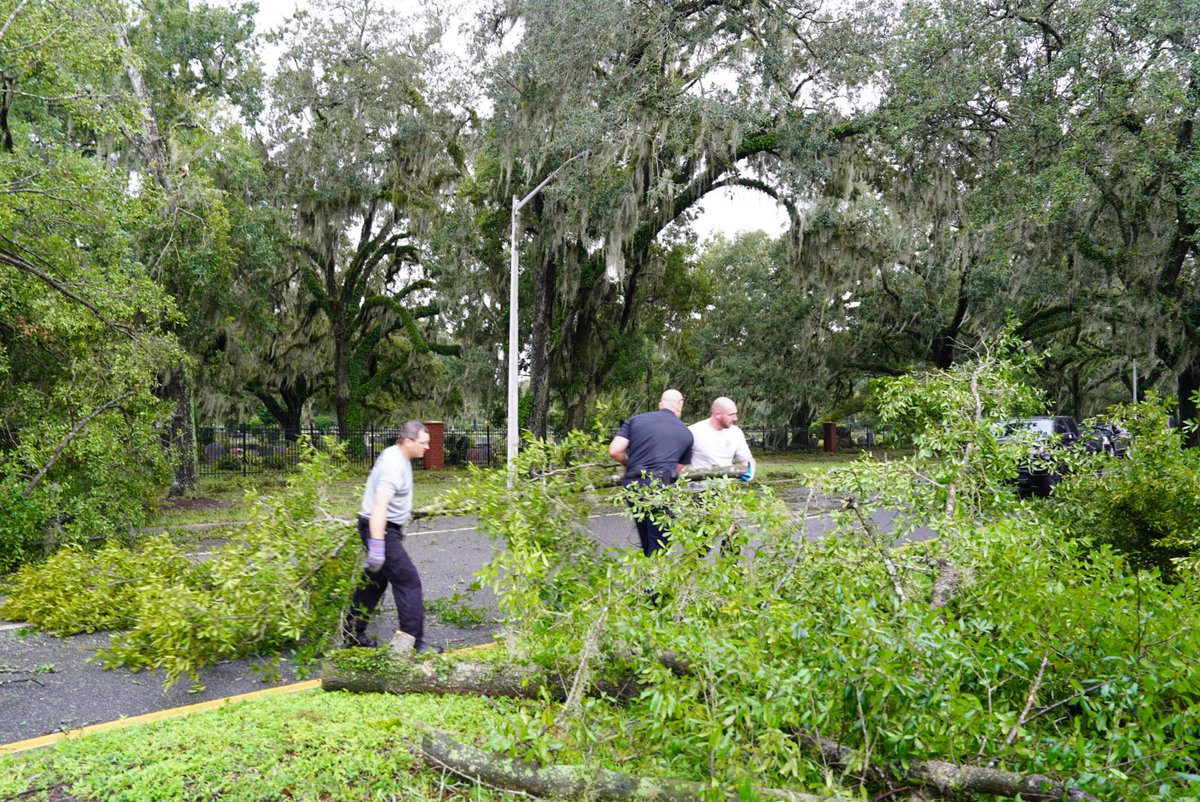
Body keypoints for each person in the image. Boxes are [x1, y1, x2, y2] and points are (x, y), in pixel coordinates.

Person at [344, 420, 440, 652]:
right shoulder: (394, 466)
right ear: (408, 441)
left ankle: (353, 634)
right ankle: (413, 642)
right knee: (408, 582)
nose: (427, 448)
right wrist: (377, 546)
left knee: (373, 583)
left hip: (378, 527)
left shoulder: (397, 455)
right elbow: (379, 506)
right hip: (380, 529)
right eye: (423, 443)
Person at [608, 389, 694, 557]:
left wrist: (631, 462)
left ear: (660, 405)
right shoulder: (686, 433)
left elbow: (614, 450)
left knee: (647, 539)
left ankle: (648, 575)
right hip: (660, 487)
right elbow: (678, 470)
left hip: (632, 485)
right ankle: (654, 580)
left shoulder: (636, 420)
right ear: (680, 405)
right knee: (660, 543)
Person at [688, 397, 755, 481]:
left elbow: (746, 459)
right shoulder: (694, 431)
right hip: (697, 490)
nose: (735, 418)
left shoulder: (736, 432)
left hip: (724, 490)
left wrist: (751, 470)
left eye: (735, 414)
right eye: (731, 415)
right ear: (718, 414)